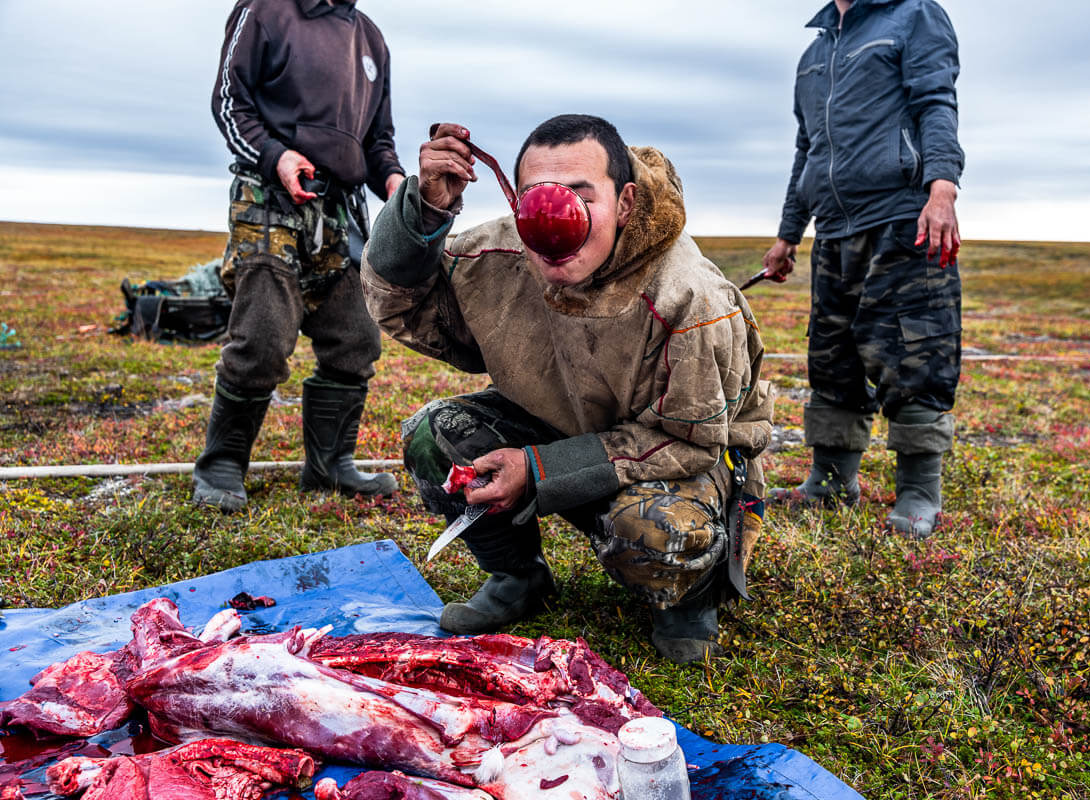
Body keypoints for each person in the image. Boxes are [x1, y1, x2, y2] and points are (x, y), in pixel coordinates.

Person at [361, 115, 775, 664]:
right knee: (436, 437)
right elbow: (401, 304)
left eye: (581, 196)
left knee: (656, 530)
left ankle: (689, 597)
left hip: (677, 458)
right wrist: (426, 212)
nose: (553, 220)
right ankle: (517, 577)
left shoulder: (689, 297)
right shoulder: (496, 256)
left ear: (625, 203)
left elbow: (692, 443)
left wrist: (539, 467)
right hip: (562, 426)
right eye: (536, 197)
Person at [762, 0, 965, 539]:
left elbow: (936, 103)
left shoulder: (915, 15)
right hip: (832, 229)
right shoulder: (813, 53)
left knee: (915, 352)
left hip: (903, 218)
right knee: (833, 357)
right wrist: (789, 233)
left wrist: (941, 186)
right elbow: (807, 148)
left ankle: (919, 493)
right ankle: (830, 484)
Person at [194, 0, 405, 512]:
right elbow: (229, 100)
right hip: (270, 195)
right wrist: (277, 156)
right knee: (263, 336)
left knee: (356, 337)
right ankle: (222, 466)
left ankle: (330, 466)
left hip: (343, 208)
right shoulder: (267, 10)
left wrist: (398, 185)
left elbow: (377, 140)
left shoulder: (370, 37)